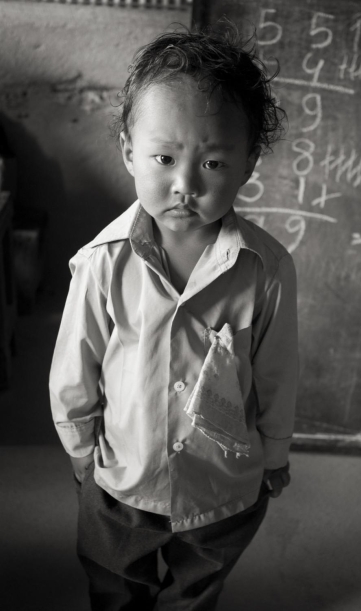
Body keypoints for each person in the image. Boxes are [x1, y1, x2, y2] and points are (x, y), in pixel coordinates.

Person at [49, 23, 298, 611]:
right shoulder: (102, 262)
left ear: (248, 163)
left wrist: (275, 452)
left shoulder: (266, 268)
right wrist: (80, 445)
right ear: (129, 152)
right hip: (125, 476)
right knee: (115, 583)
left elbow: (276, 372)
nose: (184, 184)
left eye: (212, 162)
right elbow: (76, 364)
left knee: (198, 587)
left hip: (222, 483)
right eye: (163, 158)